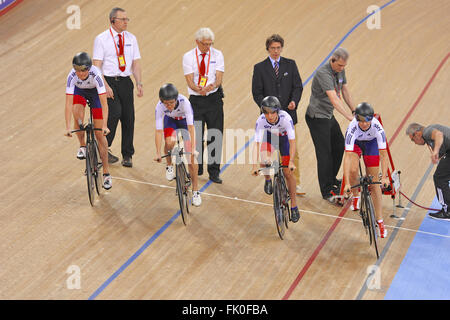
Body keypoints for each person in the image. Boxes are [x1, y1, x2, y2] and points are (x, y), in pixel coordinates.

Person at [252, 34, 305, 195]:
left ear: (282, 48)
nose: (276, 51)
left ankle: (294, 183)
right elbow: (256, 92)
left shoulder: (290, 64)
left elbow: (298, 87)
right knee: (267, 153)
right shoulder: (260, 68)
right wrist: (267, 110)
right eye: (273, 48)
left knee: (291, 152)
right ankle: (268, 178)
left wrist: (294, 102)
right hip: (270, 118)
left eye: (278, 48)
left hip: (287, 116)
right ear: (268, 49)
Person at [92, 7, 143, 168]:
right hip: (108, 81)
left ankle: (127, 154)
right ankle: (103, 148)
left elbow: (135, 63)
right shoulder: (102, 39)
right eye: (123, 19)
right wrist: (104, 85)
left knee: (129, 117)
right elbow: (96, 65)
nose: (126, 22)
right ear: (113, 21)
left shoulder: (131, 38)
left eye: (127, 19)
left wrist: (138, 82)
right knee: (114, 113)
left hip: (125, 81)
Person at [305, 47, 355, 202]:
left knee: (339, 146)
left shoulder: (340, 71)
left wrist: (354, 109)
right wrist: (348, 117)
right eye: (339, 65)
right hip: (317, 117)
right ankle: (326, 190)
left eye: (344, 66)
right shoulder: (323, 73)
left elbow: (344, 90)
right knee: (324, 154)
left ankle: (332, 179)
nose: (341, 69)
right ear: (332, 60)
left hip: (328, 115)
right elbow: (334, 99)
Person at [182, 27, 225, 184]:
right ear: (197, 42)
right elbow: (189, 79)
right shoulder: (188, 57)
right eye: (205, 44)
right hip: (196, 100)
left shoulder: (217, 54)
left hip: (213, 99)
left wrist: (211, 87)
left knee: (215, 135)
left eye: (210, 44)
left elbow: (219, 78)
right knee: (196, 136)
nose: (208, 47)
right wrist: (197, 89)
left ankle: (214, 171)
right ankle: (197, 167)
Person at [64, 52, 112, 190]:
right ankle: (83, 146)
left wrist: (104, 125)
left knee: (99, 136)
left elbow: (104, 104)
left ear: (89, 68)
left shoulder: (96, 75)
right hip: (80, 92)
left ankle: (106, 173)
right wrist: (67, 127)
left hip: (96, 94)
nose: (80, 74)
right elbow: (68, 104)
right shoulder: (71, 77)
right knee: (77, 113)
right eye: (77, 70)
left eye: (83, 70)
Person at [342, 102, 389, 238]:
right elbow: (347, 157)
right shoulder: (352, 128)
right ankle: (356, 196)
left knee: (374, 184)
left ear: (371, 119)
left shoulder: (378, 128)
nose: (364, 124)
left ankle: (380, 221)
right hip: (356, 143)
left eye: (367, 121)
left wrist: (384, 177)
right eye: (361, 121)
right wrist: (347, 184)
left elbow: (384, 154)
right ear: (356, 119)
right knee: (353, 170)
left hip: (371, 144)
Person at [251, 96, 300, 223]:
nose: (270, 116)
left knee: (288, 173)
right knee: (264, 159)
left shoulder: (286, 118)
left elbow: (292, 142)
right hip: (270, 139)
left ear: (278, 111)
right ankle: (268, 179)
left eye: (272, 112)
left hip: (284, 141)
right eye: (266, 112)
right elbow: (256, 144)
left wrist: (291, 162)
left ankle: (294, 205)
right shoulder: (261, 120)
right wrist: (254, 166)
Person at [154, 84, 201, 207]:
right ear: (161, 101)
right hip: (171, 121)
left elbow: (191, 127)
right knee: (169, 142)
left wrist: (193, 150)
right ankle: (169, 165)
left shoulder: (184, 102)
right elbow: (158, 131)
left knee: (191, 159)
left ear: (176, 99)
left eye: (171, 103)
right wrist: (158, 152)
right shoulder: (159, 107)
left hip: (185, 122)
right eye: (166, 104)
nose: (169, 106)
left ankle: (195, 191)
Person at [406, 123, 450, 220]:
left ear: (417, 134)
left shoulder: (426, 132)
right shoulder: (428, 135)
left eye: (413, 140)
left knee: (439, 178)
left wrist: (436, 151)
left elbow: (439, 135)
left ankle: (448, 212)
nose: (414, 142)